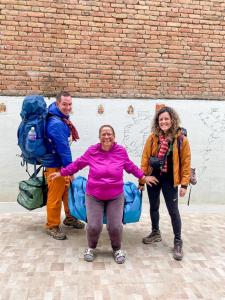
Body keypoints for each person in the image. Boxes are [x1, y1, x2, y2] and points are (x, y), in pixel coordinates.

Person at [48, 125, 157, 264]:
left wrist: (143, 177)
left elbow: (130, 167)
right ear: (99, 137)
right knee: (94, 226)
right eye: (104, 134)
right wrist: (62, 173)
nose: (107, 137)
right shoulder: (92, 151)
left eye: (109, 134)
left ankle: (117, 249)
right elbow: (78, 164)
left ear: (114, 136)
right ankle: (91, 247)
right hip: (94, 195)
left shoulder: (120, 151)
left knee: (115, 226)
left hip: (116, 195)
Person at [139, 106, 191, 261]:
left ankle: (178, 241)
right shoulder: (152, 138)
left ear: (172, 120)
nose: (164, 122)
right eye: (161, 119)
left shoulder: (181, 139)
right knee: (154, 206)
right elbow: (145, 157)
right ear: (157, 122)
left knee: (173, 210)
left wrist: (184, 184)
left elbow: (186, 162)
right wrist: (142, 179)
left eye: (166, 119)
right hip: (153, 176)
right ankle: (155, 232)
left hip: (170, 179)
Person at [44, 91, 84, 240]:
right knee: (55, 196)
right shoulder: (56, 123)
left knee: (67, 191)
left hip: (61, 164)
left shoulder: (60, 118)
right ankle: (52, 225)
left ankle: (69, 217)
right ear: (57, 103)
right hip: (55, 166)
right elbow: (63, 148)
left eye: (70, 104)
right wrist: (71, 169)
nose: (68, 107)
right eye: (64, 104)